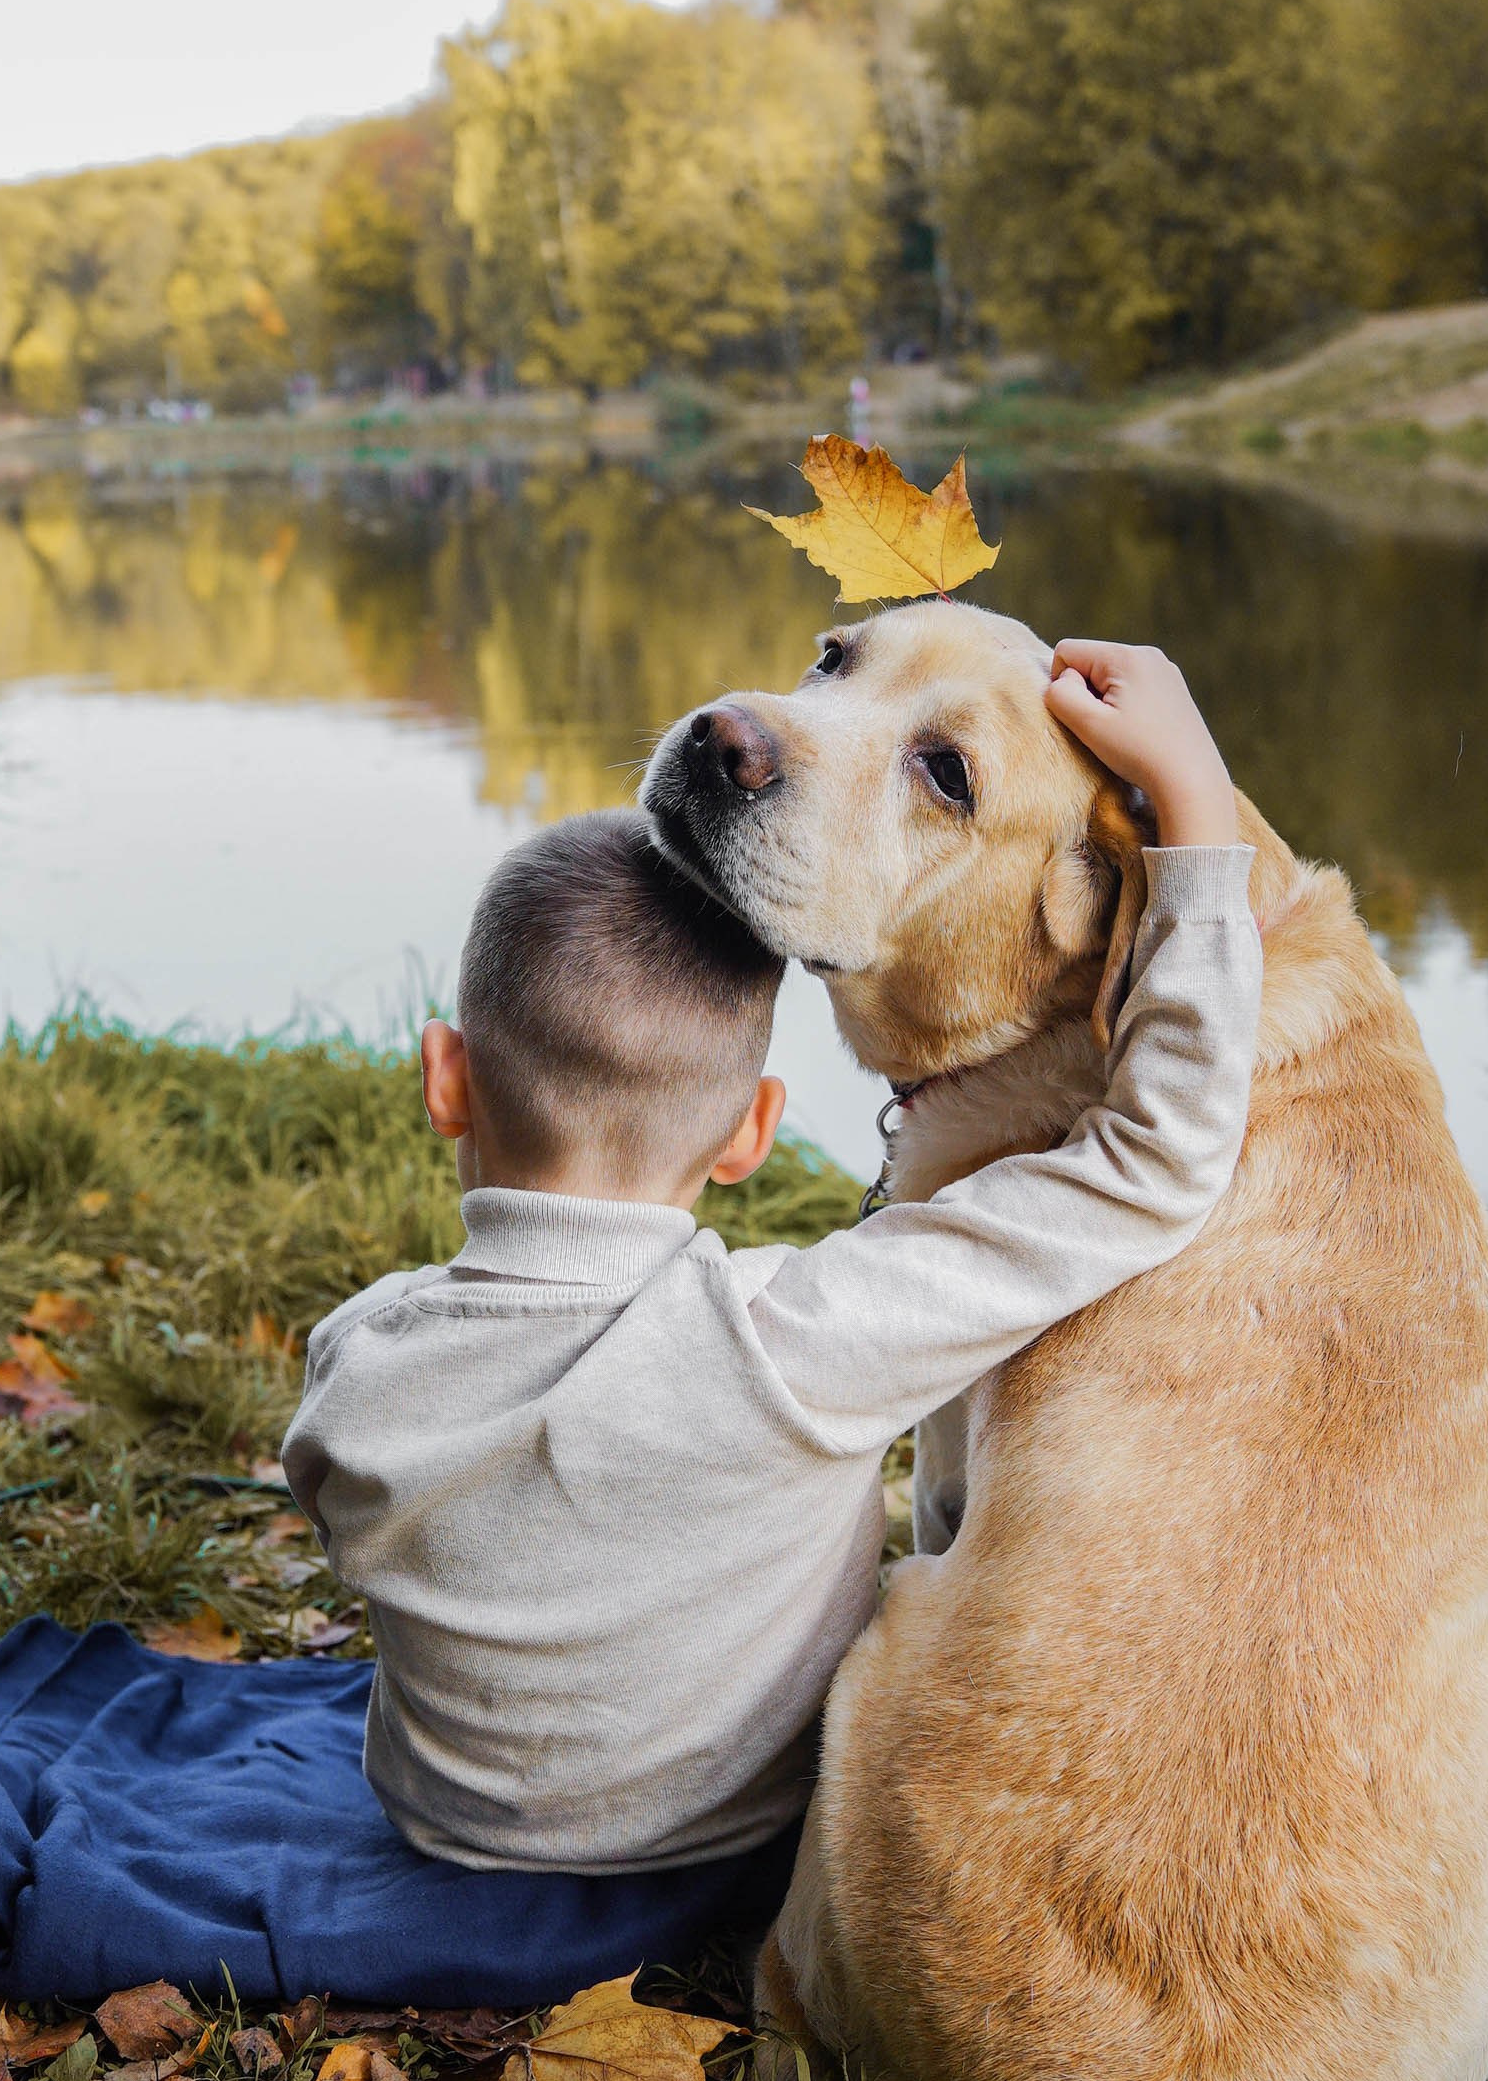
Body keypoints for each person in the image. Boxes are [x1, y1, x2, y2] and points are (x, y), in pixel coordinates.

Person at [281, 637, 1262, 1951]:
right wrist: (1196, 815)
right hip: (740, 1851)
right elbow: (1157, 1157)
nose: (756, 724)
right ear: (751, 1134)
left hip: (440, 1826)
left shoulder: (354, 1361)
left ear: (445, 1079)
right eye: (833, 660)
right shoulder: (800, 1346)